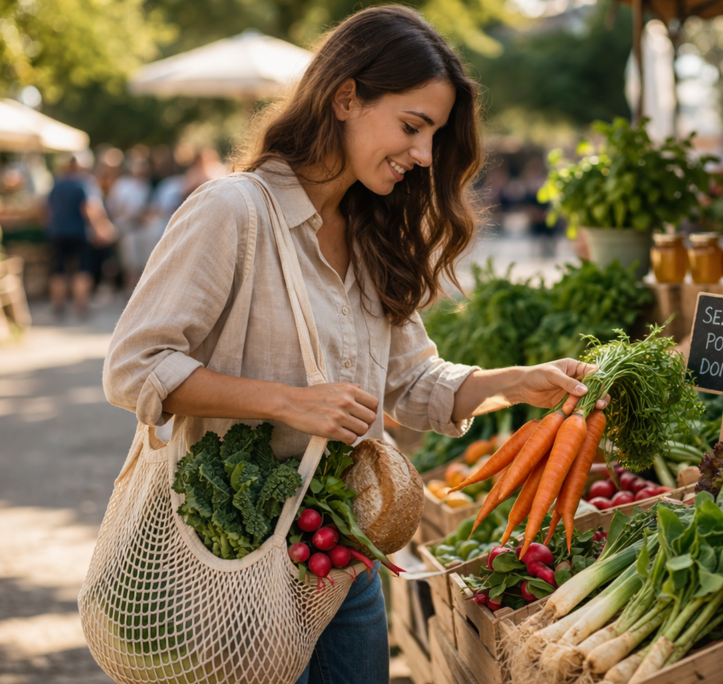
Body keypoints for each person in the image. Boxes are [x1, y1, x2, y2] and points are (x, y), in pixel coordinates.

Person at [102, 7, 605, 684]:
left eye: (433, 136)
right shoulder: (233, 212)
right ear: (346, 97)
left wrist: (511, 382)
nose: (424, 155)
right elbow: (134, 367)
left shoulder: (372, 235)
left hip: (344, 558)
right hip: (232, 558)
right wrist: (287, 403)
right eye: (411, 127)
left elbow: (414, 381)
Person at [44, 153, 115, 318]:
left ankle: (58, 306)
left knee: (58, 269)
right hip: (79, 233)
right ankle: (81, 306)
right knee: (82, 269)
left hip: (56, 232)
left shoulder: (56, 184)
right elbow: (89, 208)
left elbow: (46, 208)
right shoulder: (83, 184)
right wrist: (100, 229)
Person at [107, 156, 153, 293]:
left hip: (142, 230)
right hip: (127, 230)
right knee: (130, 265)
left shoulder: (145, 185)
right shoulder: (122, 185)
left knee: (142, 265)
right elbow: (113, 207)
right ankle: (130, 293)